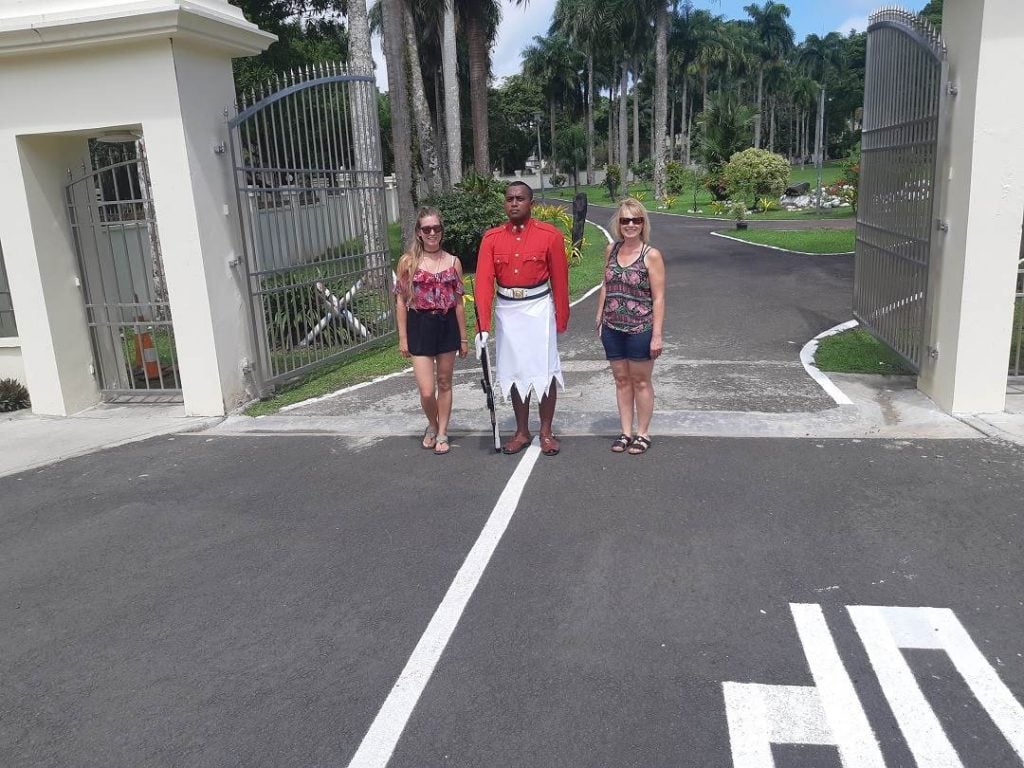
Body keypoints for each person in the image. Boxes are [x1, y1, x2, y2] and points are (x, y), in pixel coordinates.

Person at [474, 181, 570, 456]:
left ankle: (546, 432)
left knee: (545, 371)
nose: (514, 203)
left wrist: (561, 317)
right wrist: (482, 326)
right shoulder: (492, 238)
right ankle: (521, 431)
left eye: (520, 198)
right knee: (514, 372)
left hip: (539, 308)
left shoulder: (549, 235)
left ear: (531, 203)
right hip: (508, 311)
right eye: (509, 199)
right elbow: (483, 283)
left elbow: (560, 279)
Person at [394, 207, 468, 455]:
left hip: (446, 326)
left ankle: (443, 431)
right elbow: (401, 302)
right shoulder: (408, 262)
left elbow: (459, 303)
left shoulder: (453, 262)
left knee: (444, 382)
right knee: (426, 390)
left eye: (436, 228)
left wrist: (463, 338)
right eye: (427, 229)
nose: (432, 233)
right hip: (420, 326)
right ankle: (433, 424)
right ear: (419, 232)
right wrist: (403, 338)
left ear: (442, 231)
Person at [595, 198, 665, 455]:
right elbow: (606, 284)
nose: (631, 225)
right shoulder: (611, 250)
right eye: (625, 220)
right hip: (612, 327)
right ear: (619, 223)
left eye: (636, 220)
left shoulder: (651, 255)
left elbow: (658, 298)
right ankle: (625, 432)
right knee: (622, 380)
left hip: (640, 329)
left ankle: (643, 433)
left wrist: (656, 335)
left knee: (641, 382)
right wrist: (599, 316)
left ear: (643, 223)